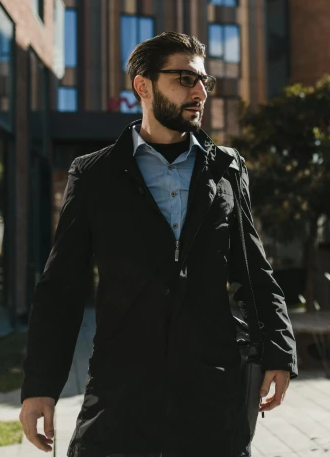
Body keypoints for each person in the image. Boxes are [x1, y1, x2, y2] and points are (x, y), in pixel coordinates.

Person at [18, 32, 298, 457]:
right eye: (185, 79)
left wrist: (279, 351)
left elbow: (253, 270)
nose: (200, 92)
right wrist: (40, 386)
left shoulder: (226, 168)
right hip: (121, 389)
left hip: (213, 390)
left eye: (204, 81)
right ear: (143, 86)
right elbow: (61, 289)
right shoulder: (94, 176)